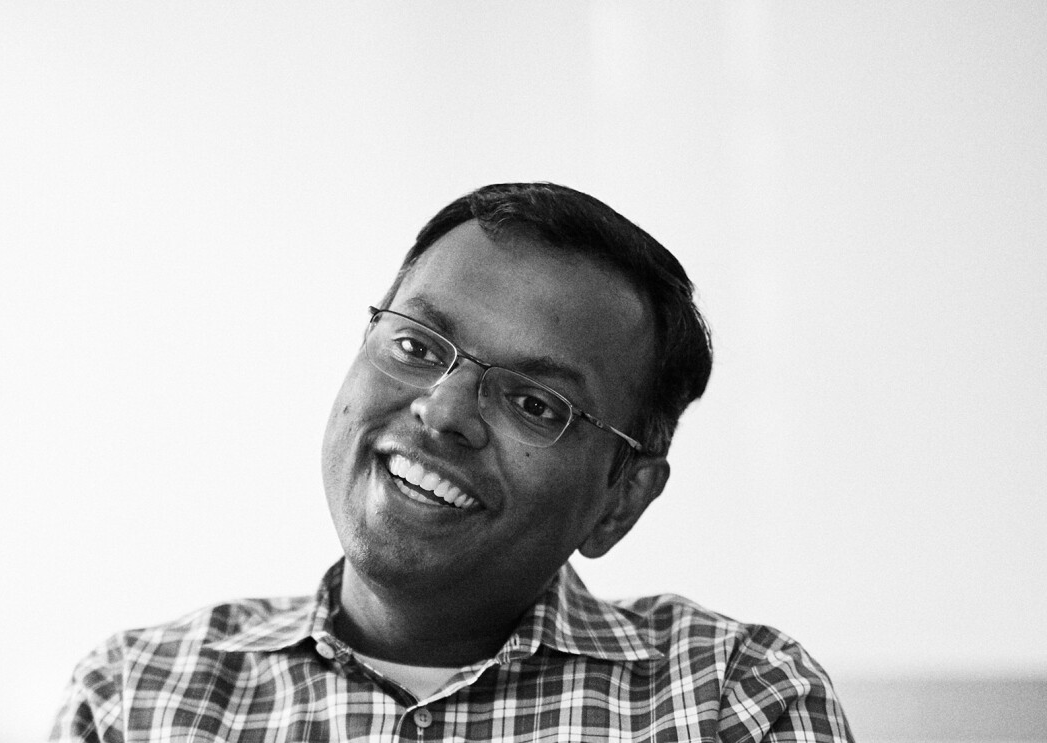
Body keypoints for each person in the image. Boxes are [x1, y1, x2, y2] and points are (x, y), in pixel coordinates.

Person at [51, 182, 854, 741]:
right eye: (415, 344)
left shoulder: (735, 701)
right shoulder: (136, 699)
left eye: (535, 403)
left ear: (622, 498)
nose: (442, 409)